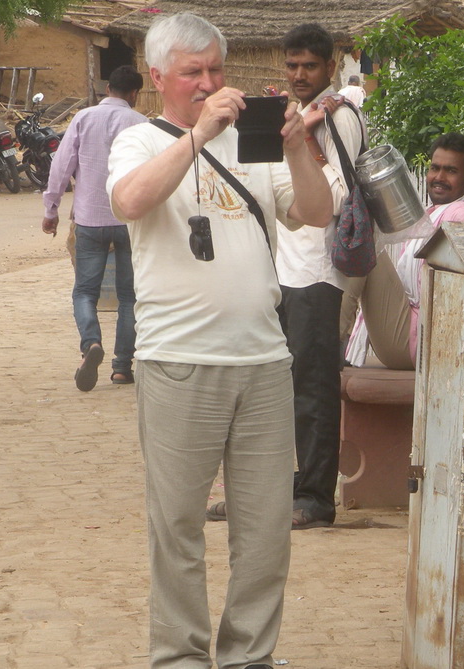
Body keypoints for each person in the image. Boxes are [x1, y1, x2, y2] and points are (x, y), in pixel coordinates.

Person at [105, 12, 331, 669]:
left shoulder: (252, 141)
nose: (207, 83)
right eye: (192, 72)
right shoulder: (137, 140)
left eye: (215, 70)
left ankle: (248, 656)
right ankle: (180, 655)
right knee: (177, 526)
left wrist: (297, 146)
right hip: (178, 361)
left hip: (263, 361)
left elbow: (316, 212)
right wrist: (199, 135)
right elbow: (130, 202)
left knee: (265, 531)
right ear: (158, 78)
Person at [242, 22, 365, 530]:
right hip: (282, 269)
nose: (299, 74)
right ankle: (289, 486)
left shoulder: (341, 118)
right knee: (282, 387)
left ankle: (316, 498)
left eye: (309, 66)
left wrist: (306, 134)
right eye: (292, 65)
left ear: (330, 67)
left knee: (314, 388)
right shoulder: (298, 113)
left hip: (319, 270)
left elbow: (334, 196)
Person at [342, 131, 464, 369]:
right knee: (363, 240)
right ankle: (333, 336)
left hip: (411, 343)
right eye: (435, 168)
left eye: (451, 171)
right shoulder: (428, 214)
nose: (439, 177)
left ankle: (330, 338)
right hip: (401, 335)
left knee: (363, 243)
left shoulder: (458, 214)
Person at [42, 65, 148, 391]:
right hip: (129, 221)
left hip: (89, 220)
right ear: (134, 93)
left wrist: (51, 209)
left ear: (107, 89)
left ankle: (91, 343)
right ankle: (122, 368)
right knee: (129, 296)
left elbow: (62, 167)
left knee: (85, 292)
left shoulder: (83, 118)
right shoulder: (141, 124)